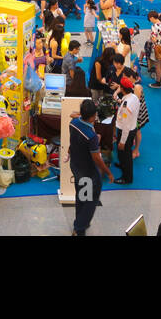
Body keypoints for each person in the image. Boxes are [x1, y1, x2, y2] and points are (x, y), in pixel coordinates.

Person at [68, 99, 111, 236]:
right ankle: (79, 228)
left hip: (76, 166)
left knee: (81, 197)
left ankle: (80, 223)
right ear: (92, 116)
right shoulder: (91, 136)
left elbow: (74, 116)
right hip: (87, 172)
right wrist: (107, 172)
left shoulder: (73, 123)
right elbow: (97, 158)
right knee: (90, 200)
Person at [113, 78, 140, 185]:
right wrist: (119, 100)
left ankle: (127, 178)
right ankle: (122, 164)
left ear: (123, 89)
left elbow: (125, 126)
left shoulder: (126, 106)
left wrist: (122, 141)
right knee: (123, 153)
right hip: (132, 129)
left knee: (125, 153)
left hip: (126, 132)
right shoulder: (133, 97)